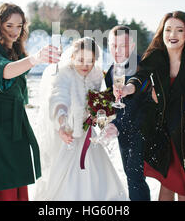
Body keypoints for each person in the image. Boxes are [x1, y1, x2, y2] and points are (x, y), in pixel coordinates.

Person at [114, 11, 185, 201]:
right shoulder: (156, 57)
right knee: (167, 185)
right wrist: (129, 87)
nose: (173, 35)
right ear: (162, 33)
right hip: (162, 135)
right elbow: (141, 77)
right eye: (168, 29)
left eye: (179, 30)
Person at [0, 3, 60, 201]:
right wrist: (36, 59)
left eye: (19, 26)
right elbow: (4, 71)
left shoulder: (19, 53)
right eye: (9, 25)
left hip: (16, 120)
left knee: (16, 176)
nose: (14, 31)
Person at [34, 37, 128, 201]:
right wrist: (62, 123)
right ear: (72, 57)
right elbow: (58, 99)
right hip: (67, 133)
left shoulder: (96, 74)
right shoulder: (63, 74)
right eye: (81, 60)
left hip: (87, 134)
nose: (85, 65)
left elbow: (97, 102)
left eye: (90, 61)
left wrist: (101, 114)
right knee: (66, 181)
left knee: (97, 178)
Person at [103, 25, 151, 201]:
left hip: (142, 129)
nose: (116, 50)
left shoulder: (141, 67)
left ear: (131, 46)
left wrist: (116, 125)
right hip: (123, 130)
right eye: (113, 45)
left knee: (135, 176)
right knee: (130, 174)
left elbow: (138, 105)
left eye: (122, 46)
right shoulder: (110, 71)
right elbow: (113, 102)